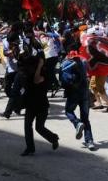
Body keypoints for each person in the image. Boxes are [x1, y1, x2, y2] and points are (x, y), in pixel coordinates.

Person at [18, 23, 60, 156]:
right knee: (28, 125)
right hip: (31, 101)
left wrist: (39, 65)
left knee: (39, 127)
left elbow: (37, 79)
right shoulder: (31, 65)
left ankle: (53, 138)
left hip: (41, 104)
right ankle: (30, 147)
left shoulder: (44, 72)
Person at [62, 51, 97, 150]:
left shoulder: (66, 64)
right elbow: (89, 73)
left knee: (68, 111)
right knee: (85, 118)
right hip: (84, 93)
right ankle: (89, 141)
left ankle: (77, 123)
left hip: (73, 94)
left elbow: (64, 81)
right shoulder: (83, 62)